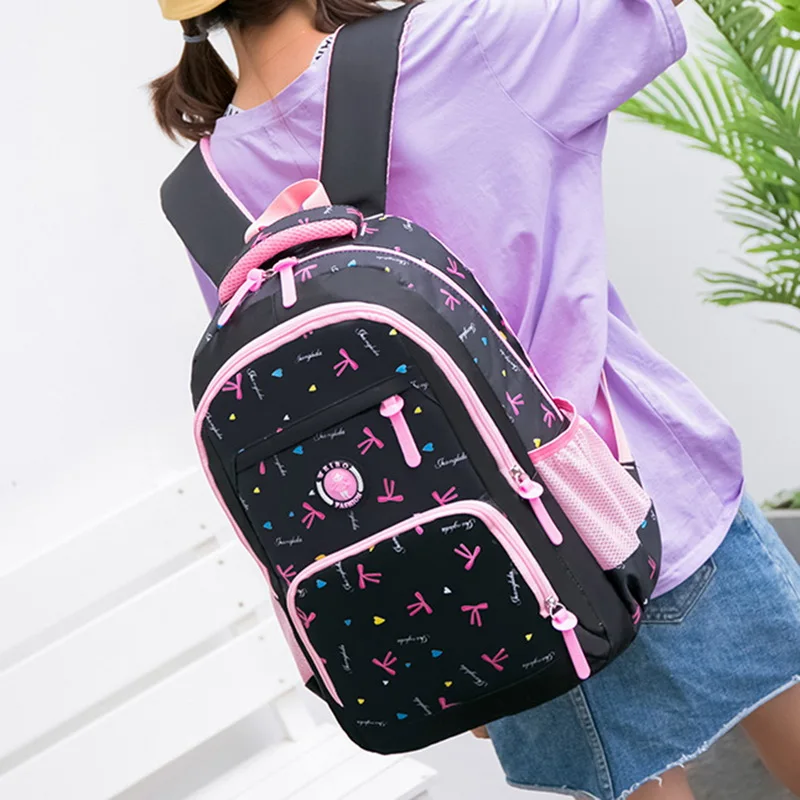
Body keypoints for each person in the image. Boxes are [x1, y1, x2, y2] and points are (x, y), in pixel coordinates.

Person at [151, 0, 800, 797]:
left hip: (483, 587)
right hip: (641, 502)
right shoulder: (461, 44)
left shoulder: (205, 195)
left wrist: (437, 623)